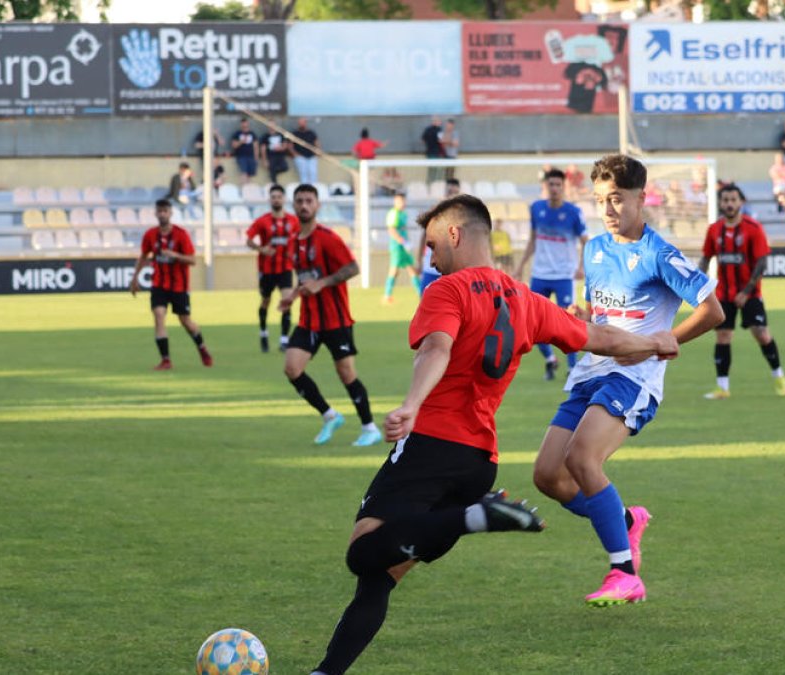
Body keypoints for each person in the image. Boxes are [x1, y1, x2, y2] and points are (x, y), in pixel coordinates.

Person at [307, 193, 679, 675]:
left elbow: (435, 350)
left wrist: (412, 405)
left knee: (362, 553)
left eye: (433, 244)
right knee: (378, 579)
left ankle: (474, 517)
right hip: (478, 462)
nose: (431, 257)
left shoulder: (447, 291)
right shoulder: (525, 299)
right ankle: (326, 671)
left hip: (429, 448)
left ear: (455, 235)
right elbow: (598, 338)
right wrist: (653, 341)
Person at [531, 154, 723, 607]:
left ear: (641, 198)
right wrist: (573, 317)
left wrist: (665, 341)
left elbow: (712, 310)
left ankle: (624, 573)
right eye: (600, 200)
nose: (608, 209)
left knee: (582, 459)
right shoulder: (594, 249)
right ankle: (626, 520)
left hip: (634, 378)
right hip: (589, 371)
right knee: (547, 477)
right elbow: (596, 312)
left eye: (616, 199)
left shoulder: (659, 253)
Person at [279, 184, 380, 447]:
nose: (304, 205)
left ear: (317, 205)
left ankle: (369, 427)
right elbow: (305, 278)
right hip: (309, 320)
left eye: (309, 201)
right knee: (292, 368)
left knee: (346, 373)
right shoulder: (293, 242)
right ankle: (329, 415)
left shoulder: (328, 238)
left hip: (336, 319)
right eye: (299, 201)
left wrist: (323, 283)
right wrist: (292, 296)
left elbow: (353, 268)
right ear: (294, 205)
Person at [699, 183, 785, 400]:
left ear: (741, 202)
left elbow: (762, 263)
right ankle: (723, 387)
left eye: (733, 200)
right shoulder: (714, 229)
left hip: (750, 293)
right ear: (720, 203)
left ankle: (779, 376)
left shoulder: (753, 228)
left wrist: (746, 291)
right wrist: (697, 284)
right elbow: (706, 257)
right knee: (723, 336)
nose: (729, 204)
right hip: (724, 293)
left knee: (761, 333)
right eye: (725, 200)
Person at [514, 168, 588, 380]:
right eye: (551, 185)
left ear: (563, 187)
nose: (554, 189)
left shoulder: (574, 213)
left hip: (564, 275)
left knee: (568, 322)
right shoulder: (536, 208)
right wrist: (520, 266)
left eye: (558, 185)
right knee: (531, 323)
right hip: (540, 275)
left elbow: (585, 242)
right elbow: (532, 240)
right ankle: (550, 359)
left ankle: (572, 367)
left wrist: (581, 267)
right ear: (545, 187)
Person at [131, 200, 213, 371]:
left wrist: (174, 255)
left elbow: (192, 260)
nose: (162, 214)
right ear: (155, 213)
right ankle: (166, 360)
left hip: (179, 287)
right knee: (159, 315)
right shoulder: (150, 235)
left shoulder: (181, 235)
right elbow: (144, 256)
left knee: (185, 321)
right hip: (158, 284)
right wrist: (135, 277)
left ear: (170, 213)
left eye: (165, 211)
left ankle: (202, 348)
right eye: (159, 211)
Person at [246, 184, 299, 352]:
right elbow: (248, 240)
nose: (276, 199)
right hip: (267, 269)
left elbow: (300, 238)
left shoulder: (293, 221)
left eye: (279, 197)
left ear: (284, 199)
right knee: (265, 302)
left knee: (287, 301)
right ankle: (263, 333)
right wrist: (262, 249)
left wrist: (296, 254)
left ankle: (284, 340)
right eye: (273, 197)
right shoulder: (263, 221)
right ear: (270, 200)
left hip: (285, 268)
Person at [415, 178, 460, 293]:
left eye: (455, 193)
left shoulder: (462, 215)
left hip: (452, 271)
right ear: (445, 192)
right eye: (450, 192)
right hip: (431, 269)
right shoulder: (436, 211)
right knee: (426, 305)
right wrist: (419, 260)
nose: (452, 196)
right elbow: (424, 236)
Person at [381, 192, 420, 304]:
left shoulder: (403, 213)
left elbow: (403, 229)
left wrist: (407, 242)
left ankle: (421, 294)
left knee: (412, 269)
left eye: (403, 201)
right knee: (394, 270)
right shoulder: (393, 213)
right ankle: (387, 295)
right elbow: (391, 230)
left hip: (404, 245)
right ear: (395, 202)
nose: (402, 203)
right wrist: (403, 242)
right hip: (397, 246)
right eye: (399, 201)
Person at [230, 118, 259, 185]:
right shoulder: (237, 134)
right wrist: (241, 141)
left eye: (246, 124)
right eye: (243, 124)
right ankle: (243, 186)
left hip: (251, 156)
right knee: (244, 172)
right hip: (241, 156)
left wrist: (256, 158)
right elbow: (234, 145)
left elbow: (256, 147)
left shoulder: (252, 134)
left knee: (250, 174)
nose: (244, 125)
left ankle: (248, 187)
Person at [292, 117, 320, 185]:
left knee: (313, 173)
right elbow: (290, 145)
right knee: (303, 174)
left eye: (303, 122)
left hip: (311, 156)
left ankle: (314, 189)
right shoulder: (295, 133)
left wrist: (317, 152)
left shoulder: (311, 133)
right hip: (300, 156)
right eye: (300, 123)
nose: (301, 124)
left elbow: (316, 143)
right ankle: (304, 189)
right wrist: (295, 154)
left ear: (305, 123)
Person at [421, 116, 444, 182]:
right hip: (436, 153)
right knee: (437, 170)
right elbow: (441, 141)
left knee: (431, 170)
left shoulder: (427, 129)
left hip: (429, 153)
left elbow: (422, 140)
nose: (440, 123)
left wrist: (429, 144)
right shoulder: (439, 130)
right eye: (439, 121)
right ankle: (435, 184)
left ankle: (430, 184)